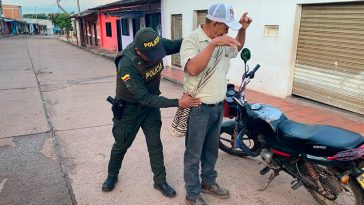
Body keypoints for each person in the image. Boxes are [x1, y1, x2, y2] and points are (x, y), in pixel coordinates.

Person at [102, 27, 201, 198]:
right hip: (129, 110)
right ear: (139, 50)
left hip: (151, 109)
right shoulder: (126, 64)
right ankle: (112, 176)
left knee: (155, 144)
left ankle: (160, 181)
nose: (157, 57)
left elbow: (180, 44)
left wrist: (203, 38)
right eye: (152, 55)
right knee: (121, 144)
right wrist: (178, 103)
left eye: (158, 52)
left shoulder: (156, 45)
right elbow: (144, 98)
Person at [180, 3, 252, 205]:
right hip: (198, 108)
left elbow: (237, 46)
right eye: (226, 27)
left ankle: (208, 182)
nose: (228, 30)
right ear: (214, 24)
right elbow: (192, 69)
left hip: (218, 107)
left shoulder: (222, 40)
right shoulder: (192, 40)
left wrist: (243, 30)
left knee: (211, 150)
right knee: (194, 154)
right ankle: (192, 194)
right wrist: (212, 44)